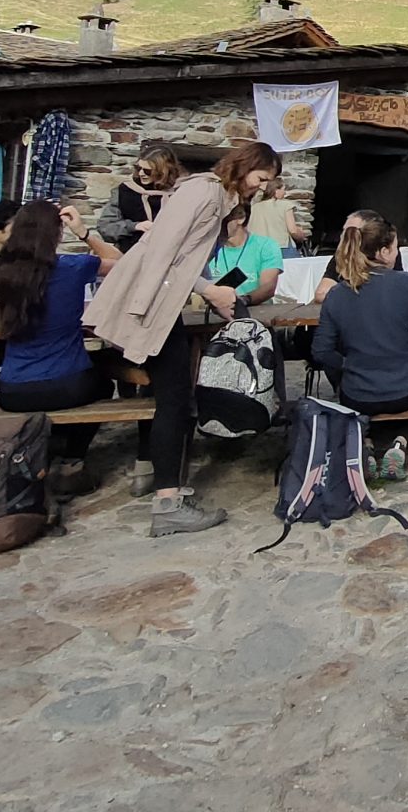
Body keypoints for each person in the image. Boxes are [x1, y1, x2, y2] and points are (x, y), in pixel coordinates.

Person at [86, 140, 281, 537]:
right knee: (173, 400)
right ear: (244, 167)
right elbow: (162, 251)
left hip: (163, 306)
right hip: (149, 305)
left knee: (173, 397)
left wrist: (218, 296)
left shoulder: (218, 199)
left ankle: (163, 489)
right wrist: (210, 290)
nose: (261, 187)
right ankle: (167, 502)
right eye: (262, 178)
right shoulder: (202, 192)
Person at [0, 201, 121, 497]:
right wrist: (84, 232)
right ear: (56, 233)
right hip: (66, 383)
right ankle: (73, 457)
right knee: (103, 384)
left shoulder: (0, 272)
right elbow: (119, 262)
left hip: (13, 389)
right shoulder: (72, 267)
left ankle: (47, 454)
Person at [314, 213, 408, 420]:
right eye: (395, 248)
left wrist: (349, 367)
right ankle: (402, 440)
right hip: (407, 389)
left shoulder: (336, 293)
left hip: (358, 394)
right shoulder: (404, 283)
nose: (397, 252)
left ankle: (368, 440)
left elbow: (321, 351)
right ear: (383, 252)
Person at [96, 144, 183, 251]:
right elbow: (105, 227)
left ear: (162, 171)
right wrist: (135, 226)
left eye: (147, 171)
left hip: (167, 254)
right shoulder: (125, 191)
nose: (141, 173)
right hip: (129, 253)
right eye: (138, 168)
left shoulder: (180, 193)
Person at [208, 203, 284, 308]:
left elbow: (268, 287)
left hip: (256, 314)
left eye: (221, 218)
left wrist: (240, 301)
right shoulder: (207, 249)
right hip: (214, 315)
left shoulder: (266, 246)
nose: (215, 223)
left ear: (241, 218)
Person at [247, 176, 306, 254]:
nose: (285, 193)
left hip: (258, 249)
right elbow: (293, 230)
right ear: (276, 190)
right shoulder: (285, 205)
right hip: (281, 247)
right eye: (283, 189)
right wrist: (301, 235)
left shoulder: (253, 208)